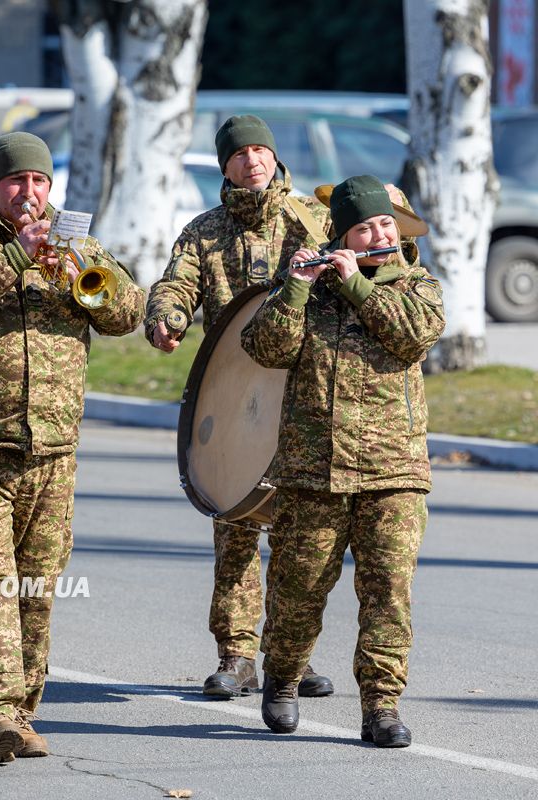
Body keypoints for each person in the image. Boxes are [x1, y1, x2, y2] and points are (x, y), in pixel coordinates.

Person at [0, 131, 144, 764]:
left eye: (40, 181)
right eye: (18, 181)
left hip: (53, 447)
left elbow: (127, 313)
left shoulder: (75, 244)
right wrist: (15, 256)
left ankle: (22, 707)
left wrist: (81, 278)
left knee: (37, 591)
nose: (31, 192)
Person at [242, 175, 444, 747]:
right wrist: (298, 288)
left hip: (393, 470)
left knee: (388, 593)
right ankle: (282, 677)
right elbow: (265, 349)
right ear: (343, 236)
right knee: (298, 588)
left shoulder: (416, 285)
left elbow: (414, 335)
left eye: (383, 223)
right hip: (314, 470)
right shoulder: (311, 288)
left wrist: (358, 286)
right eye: (363, 227)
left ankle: (381, 706)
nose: (377, 232)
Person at [145, 115, 335, 700]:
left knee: (301, 541)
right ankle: (236, 656)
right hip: (233, 399)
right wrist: (167, 317)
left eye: (261, 150)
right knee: (235, 529)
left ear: (275, 159)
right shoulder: (205, 231)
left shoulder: (312, 220)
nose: (253, 160)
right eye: (239, 153)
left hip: (303, 395)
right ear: (224, 166)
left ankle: (289, 657)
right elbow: (175, 285)